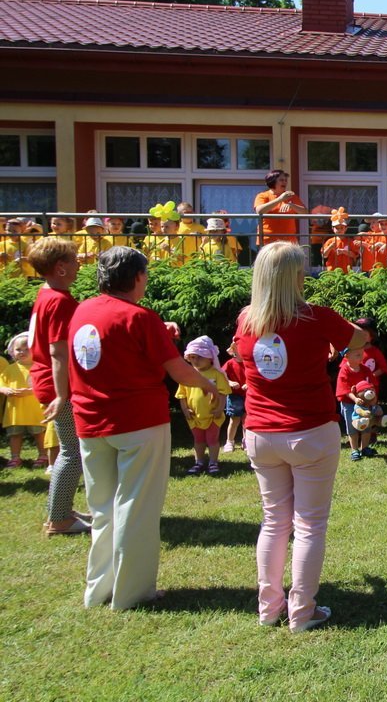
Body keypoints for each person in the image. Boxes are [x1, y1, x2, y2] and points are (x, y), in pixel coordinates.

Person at [70, 247, 219, 610]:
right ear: (137, 277)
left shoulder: (82, 310)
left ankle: (98, 590)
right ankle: (132, 593)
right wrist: (209, 384)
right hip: (138, 423)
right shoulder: (141, 317)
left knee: (102, 508)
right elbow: (178, 369)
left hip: (90, 422)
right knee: (137, 507)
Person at [234, 241, 365, 631]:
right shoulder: (317, 318)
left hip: (261, 432)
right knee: (309, 525)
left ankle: (269, 608)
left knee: (274, 522)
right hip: (309, 432)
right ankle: (302, 612)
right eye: (303, 271)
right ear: (293, 277)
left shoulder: (246, 320)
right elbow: (357, 338)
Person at [27, 238, 90, 536]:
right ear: (61, 267)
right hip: (57, 387)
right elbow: (58, 351)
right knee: (72, 451)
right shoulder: (59, 301)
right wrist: (62, 394)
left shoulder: (46, 294)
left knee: (70, 448)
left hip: (47, 381)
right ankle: (59, 519)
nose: (79, 262)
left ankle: (60, 509)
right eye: (74, 259)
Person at [178, 336, 231, 476]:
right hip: (194, 416)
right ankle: (199, 461)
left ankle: (213, 462)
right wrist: (185, 409)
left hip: (213, 414)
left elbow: (223, 392)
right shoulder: (187, 374)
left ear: (210, 357)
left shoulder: (216, 374)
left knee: (212, 439)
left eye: (200, 357)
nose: (196, 360)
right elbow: (182, 394)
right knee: (198, 439)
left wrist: (220, 408)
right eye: (192, 357)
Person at [2, 333, 47, 469]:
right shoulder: (10, 369)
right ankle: (15, 457)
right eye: (18, 349)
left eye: (26, 349)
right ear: (12, 351)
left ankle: (43, 455)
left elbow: (45, 387)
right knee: (15, 434)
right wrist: (5, 390)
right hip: (15, 410)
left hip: (35, 410)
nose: (22, 352)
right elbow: (1, 383)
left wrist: (31, 392)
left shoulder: (39, 367)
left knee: (39, 433)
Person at [336, 345, 377, 461]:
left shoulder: (365, 369)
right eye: (357, 354)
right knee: (352, 426)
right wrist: (354, 399)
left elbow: (372, 386)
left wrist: (373, 398)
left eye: (362, 353)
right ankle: (354, 450)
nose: (361, 356)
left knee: (366, 425)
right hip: (349, 403)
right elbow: (344, 389)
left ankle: (365, 447)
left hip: (365, 403)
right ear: (347, 356)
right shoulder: (344, 370)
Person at [254, 170, 308, 245]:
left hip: (289, 241)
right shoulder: (263, 196)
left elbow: (305, 212)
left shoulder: (291, 196)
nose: (285, 182)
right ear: (272, 181)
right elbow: (259, 211)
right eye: (281, 180)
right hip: (268, 240)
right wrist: (280, 199)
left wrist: (292, 205)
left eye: (286, 180)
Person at [221, 340, 246, 453]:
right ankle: (229, 441)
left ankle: (246, 441)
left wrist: (249, 383)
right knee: (234, 420)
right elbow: (221, 376)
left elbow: (255, 375)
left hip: (247, 395)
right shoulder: (230, 363)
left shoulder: (249, 363)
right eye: (237, 348)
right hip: (234, 395)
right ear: (234, 350)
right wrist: (230, 383)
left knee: (247, 419)